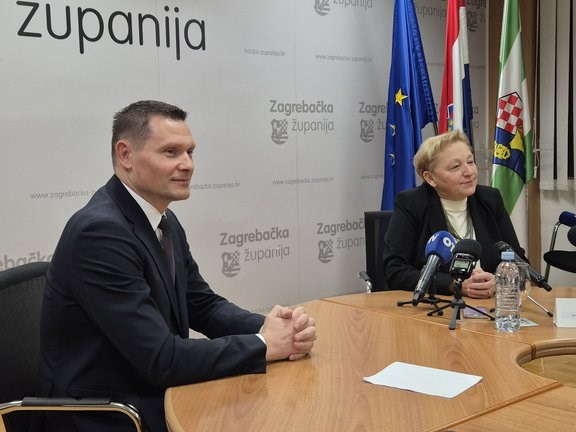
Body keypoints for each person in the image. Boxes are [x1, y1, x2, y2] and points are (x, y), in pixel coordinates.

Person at [37, 100, 317, 432]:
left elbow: (201, 304)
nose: (187, 165)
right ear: (125, 155)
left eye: (190, 152)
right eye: (171, 152)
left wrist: (272, 329)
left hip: (151, 392)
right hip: (107, 414)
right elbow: (161, 359)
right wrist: (265, 344)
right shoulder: (100, 233)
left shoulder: (162, 220)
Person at [382, 129, 525, 299]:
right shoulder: (412, 204)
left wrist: (499, 281)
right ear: (430, 178)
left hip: (491, 305)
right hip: (437, 306)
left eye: (470, 162)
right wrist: (454, 285)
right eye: (456, 167)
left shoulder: (489, 199)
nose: (469, 172)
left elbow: (519, 261)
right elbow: (395, 271)